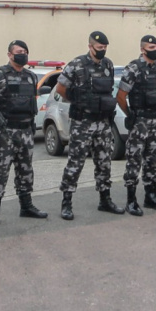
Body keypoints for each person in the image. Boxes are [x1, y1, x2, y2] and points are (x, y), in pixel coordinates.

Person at [57, 31, 124, 220]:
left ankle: (105, 200)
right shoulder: (76, 64)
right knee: (75, 163)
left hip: (103, 122)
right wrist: (78, 101)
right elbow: (61, 88)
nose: (102, 50)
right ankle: (66, 203)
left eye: (104, 48)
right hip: (83, 123)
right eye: (99, 47)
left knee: (104, 162)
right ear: (90, 46)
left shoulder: (108, 64)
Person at [0, 40, 48, 225]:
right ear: (9, 55)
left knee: (25, 170)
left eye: (25, 52)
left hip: (26, 131)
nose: (23, 54)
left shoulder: (31, 76)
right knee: (0, 172)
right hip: (5, 132)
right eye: (19, 52)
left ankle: (26, 206)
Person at [118, 35, 156, 216]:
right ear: (142, 49)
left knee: (154, 161)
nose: (154, 50)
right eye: (151, 47)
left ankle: (151, 196)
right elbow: (121, 96)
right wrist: (130, 115)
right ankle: (131, 200)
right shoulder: (134, 68)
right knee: (134, 161)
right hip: (140, 122)